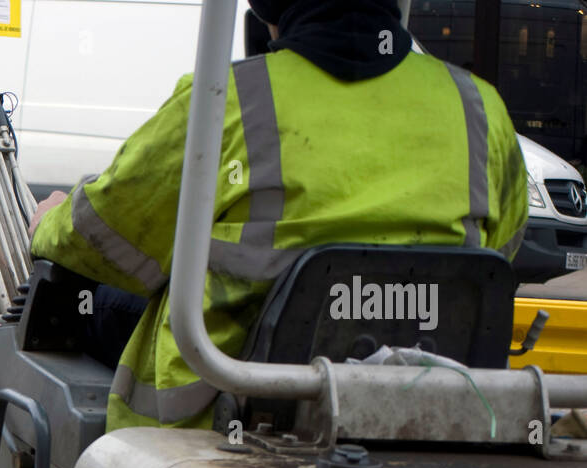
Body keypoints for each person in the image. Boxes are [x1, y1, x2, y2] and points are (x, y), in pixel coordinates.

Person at [28, 0, 527, 431]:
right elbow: (497, 256)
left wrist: (49, 220)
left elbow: (102, 235)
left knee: (91, 300)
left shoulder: (222, 103)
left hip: (219, 427)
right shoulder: (479, 110)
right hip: (425, 422)